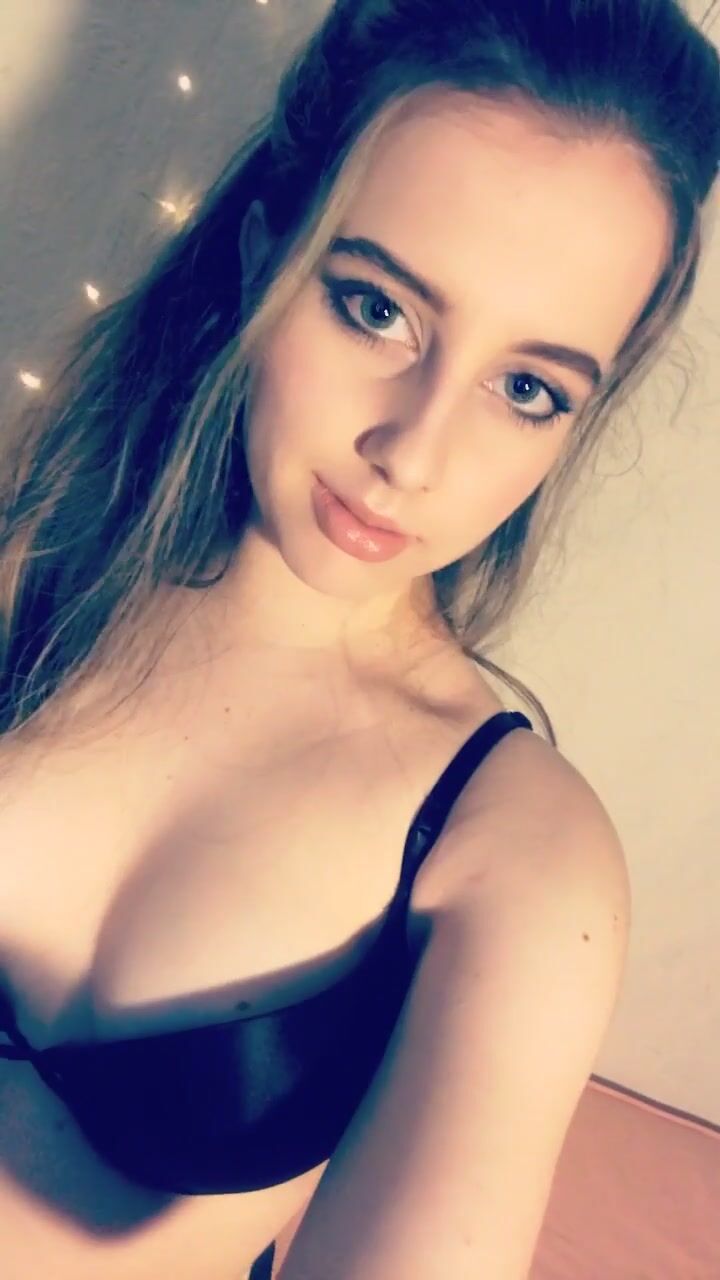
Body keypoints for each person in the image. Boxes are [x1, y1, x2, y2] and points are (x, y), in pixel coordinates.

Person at [0, 1, 718, 1277]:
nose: (413, 452)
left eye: (527, 388)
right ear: (263, 258)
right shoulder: (29, 570)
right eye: (377, 308)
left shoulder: (513, 856)